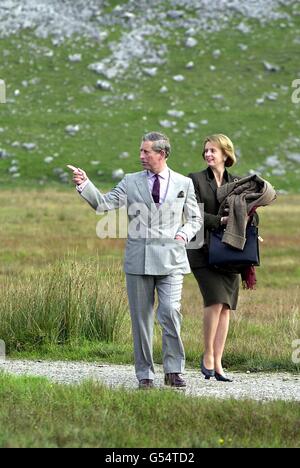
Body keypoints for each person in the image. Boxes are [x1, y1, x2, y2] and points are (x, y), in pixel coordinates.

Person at [68, 132, 202, 389]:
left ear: (161, 154)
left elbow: (195, 218)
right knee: (141, 320)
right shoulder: (130, 182)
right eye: (140, 151)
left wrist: (184, 234)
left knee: (170, 312)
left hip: (172, 260)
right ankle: (145, 375)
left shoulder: (183, 183)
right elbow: (103, 205)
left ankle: (174, 370)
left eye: (146, 152)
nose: (141, 156)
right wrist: (85, 184)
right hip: (138, 261)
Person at [187, 134, 242, 383]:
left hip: (230, 253)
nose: (208, 154)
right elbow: (193, 213)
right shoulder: (195, 180)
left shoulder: (239, 182)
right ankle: (207, 355)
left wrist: (252, 230)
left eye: (213, 151)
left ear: (225, 154)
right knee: (215, 301)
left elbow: (250, 211)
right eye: (206, 151)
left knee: (226, 306)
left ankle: (219, 362)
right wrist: (219, 221)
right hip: (202, 250)